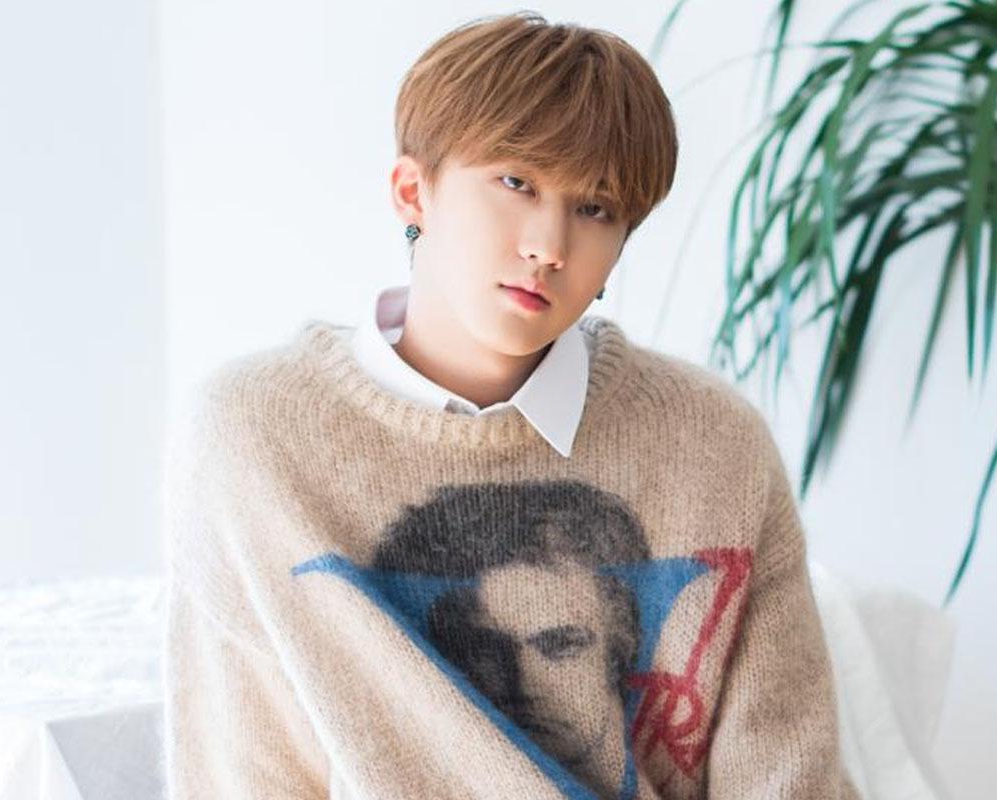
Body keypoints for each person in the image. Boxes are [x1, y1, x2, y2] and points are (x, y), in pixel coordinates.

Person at [162, 10, 861, 800]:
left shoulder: (713, 442)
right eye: (516, 183)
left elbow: (788, 774)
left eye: (595, 208)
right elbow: (241, 767)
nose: (549, 245)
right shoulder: (252, 435)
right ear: (412, 191)